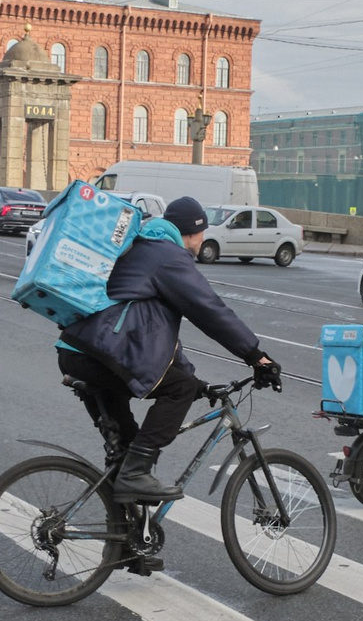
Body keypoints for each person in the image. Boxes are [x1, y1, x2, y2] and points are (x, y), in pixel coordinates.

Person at [57, 196, 280, 503]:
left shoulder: (144, 246)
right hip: (102, 353)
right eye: (203, 231)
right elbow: (209, 309)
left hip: (79, 350)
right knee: (179, 389)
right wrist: (255, 356)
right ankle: (135, 476)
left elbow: (152, 336)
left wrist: (195, 381)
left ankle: (126, 524)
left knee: (128, 451)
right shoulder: (168, 256)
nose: (203, 238)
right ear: (194, 232)